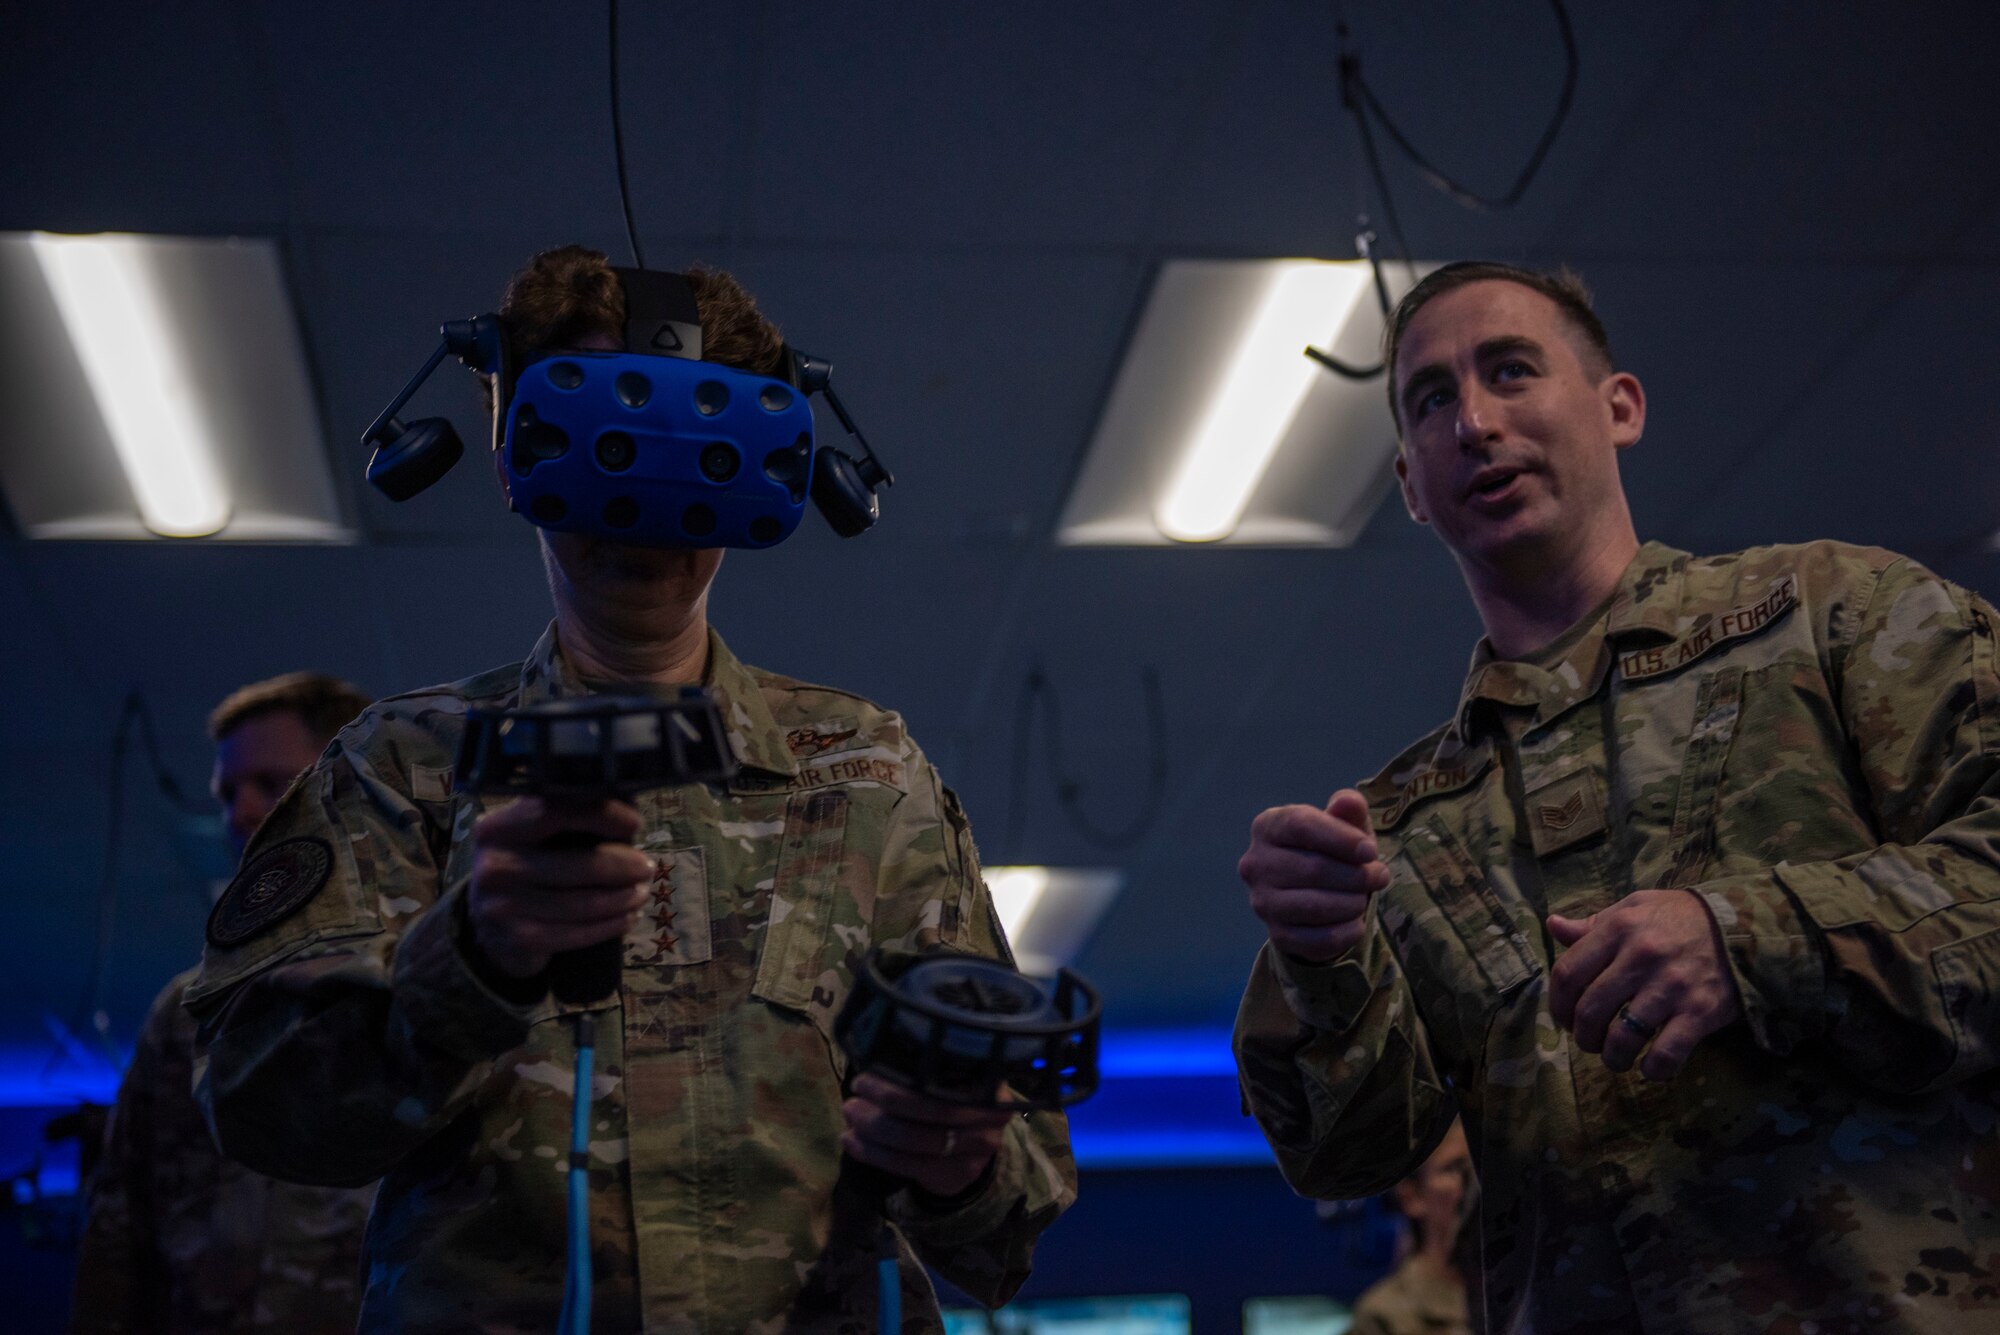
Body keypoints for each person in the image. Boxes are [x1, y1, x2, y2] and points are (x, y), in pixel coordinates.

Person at [186, 247, 1076, 1332]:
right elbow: (257, 1108)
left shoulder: (865, 772)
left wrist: (955, 1159)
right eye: (605, 439)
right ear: (514, 441)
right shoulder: (404, 768)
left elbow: (1013, 1213)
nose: (643, 502)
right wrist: (465, 962)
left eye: (694, 449)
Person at [1232, 261, 2000, 1332]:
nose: (1474, 422)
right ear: (1409, 482)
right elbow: (1346, 1156)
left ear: (1617, 407)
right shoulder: (1401, 829)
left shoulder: (1835, 619)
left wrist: (1748, 940)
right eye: (1431, 401)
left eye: (1509, 371)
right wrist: (1316, 963)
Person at [72, 673, 375, 1334]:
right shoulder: (187, 1013)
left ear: (353, 786)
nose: (239, 811)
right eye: (227, 792)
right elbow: (120, 1236)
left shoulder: (429, 985)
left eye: (270, 783)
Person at [1348, 1120, 1473, 1335]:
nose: (1474, 1183)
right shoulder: (1384, 1317)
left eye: (1480, 1168)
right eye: (1456, 1168)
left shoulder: (1527, 1293)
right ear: (1411, 1196)